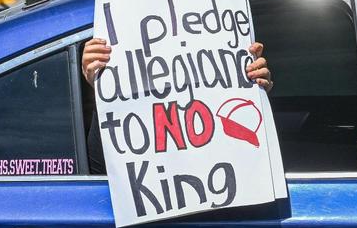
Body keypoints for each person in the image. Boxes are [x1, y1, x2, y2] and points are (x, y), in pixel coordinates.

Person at [80, 39, 273, 174]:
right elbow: (100, 173)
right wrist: (104, 93)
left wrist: (257, 92)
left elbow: (264, 163)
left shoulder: (233, 116)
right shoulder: (138, 133)